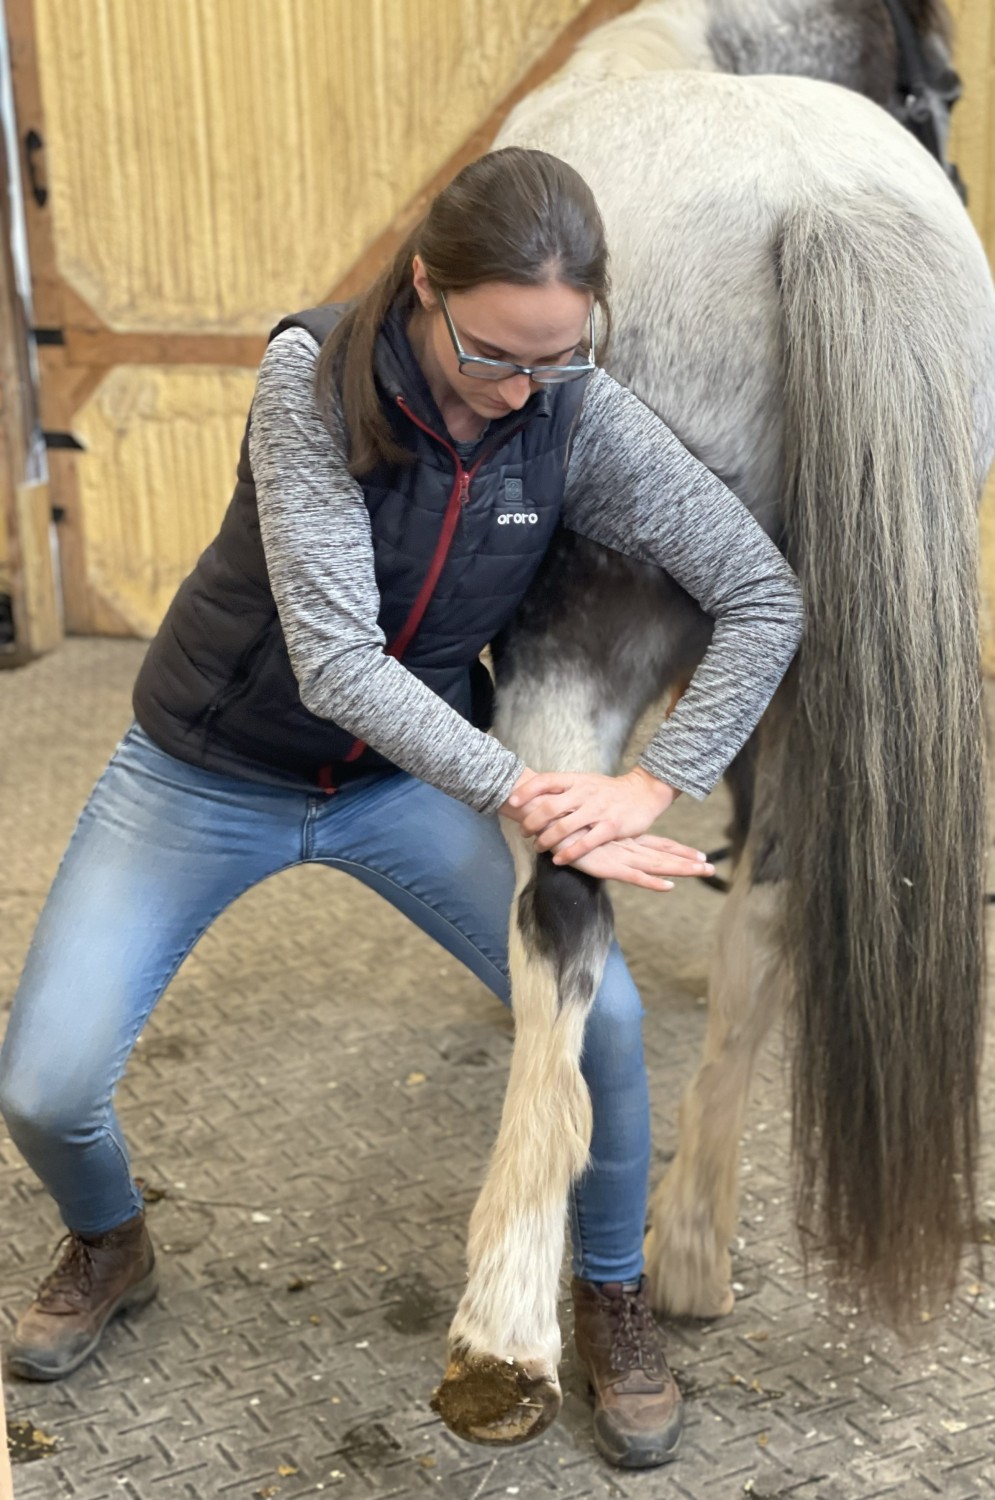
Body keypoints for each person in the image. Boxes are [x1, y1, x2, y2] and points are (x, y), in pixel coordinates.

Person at [0, 147, 803, 1470]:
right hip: (206, 768)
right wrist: (526, 786)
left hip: (392, 791)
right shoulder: (311, 384)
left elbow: (761, 592)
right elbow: (336, 659)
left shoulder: (572, 413)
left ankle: (606, 1290)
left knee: (603, 1018)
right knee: (42, 1085)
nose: (514, 392)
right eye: (491, 352)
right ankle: (109, 1240)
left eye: (553, 357)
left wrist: (652, 782)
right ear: (425, 285)